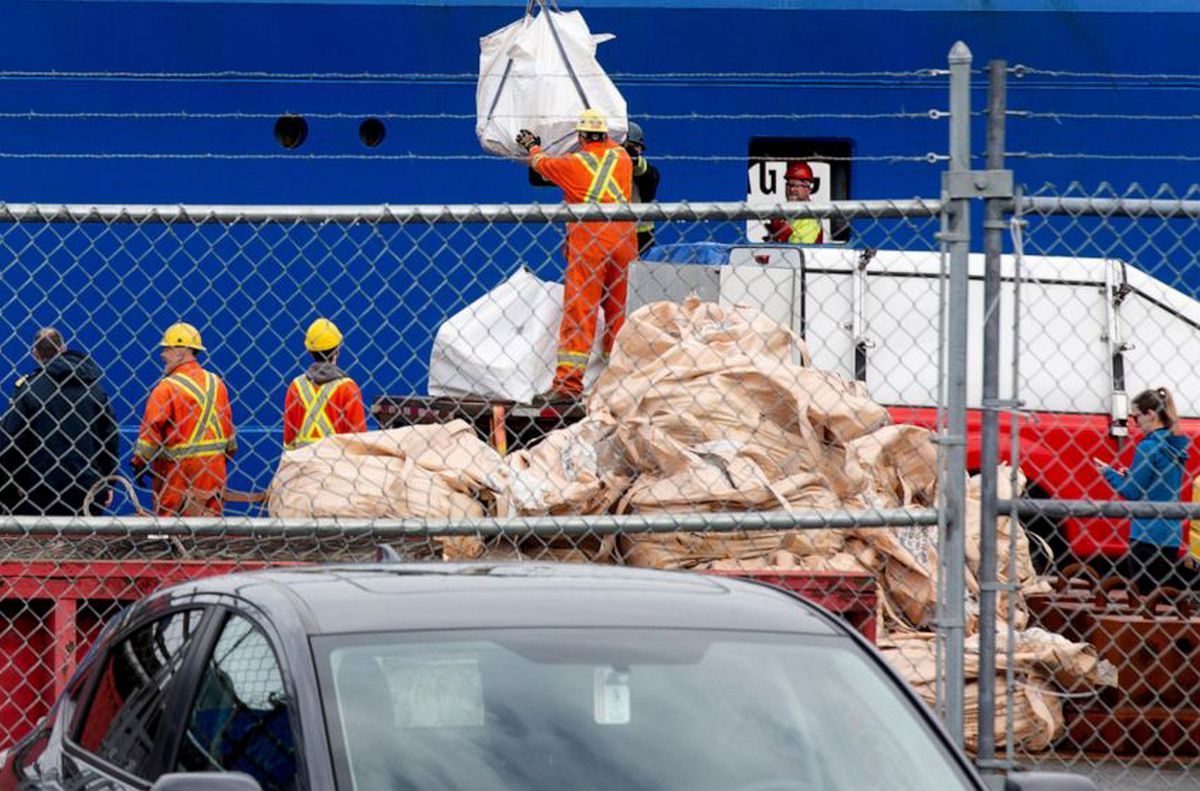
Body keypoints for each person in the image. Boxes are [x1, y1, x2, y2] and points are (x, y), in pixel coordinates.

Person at [516, 109, 638, 405]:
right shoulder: (621, 158)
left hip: (591, 240)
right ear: (606, 134)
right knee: (618, 312)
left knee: (580, 310)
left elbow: (542, 164)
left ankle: (568, 385)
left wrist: (531, 145)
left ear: (581, 136)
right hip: (624, 239)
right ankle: (619, 382)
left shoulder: (574, 165)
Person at [0, 328, 119, 515]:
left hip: (38, 492)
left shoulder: (29, 390)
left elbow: (10, 441)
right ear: (63, 348)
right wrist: (107, 482)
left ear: (35, 354)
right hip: (87, 489)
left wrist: (7, 490)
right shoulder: (94, 389)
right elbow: (109, 438)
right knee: (86, 542)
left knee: (35, 542)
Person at [132, 322, 236, 516]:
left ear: (181, 352)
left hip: (179, 475)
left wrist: (139, 463)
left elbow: (150, 435)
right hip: (214, 473)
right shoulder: (217, 384)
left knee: (170, 528)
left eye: (167, 349)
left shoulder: (166, 388)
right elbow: (230, 442)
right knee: (209, 531)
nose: (162, 354)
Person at [1094, 387, 1190, 594]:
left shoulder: (1147, 447)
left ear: (1151, 414)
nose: (1134, 423)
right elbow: (1159, 483)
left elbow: (1132, 492)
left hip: (1146, 534)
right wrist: (1131, 475)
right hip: (1171, 534)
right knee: (1162, 598)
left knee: (1143, 597)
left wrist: (1108, 473)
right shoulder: (1175, 446)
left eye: (1136, 416)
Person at [283, 318, 367, 449]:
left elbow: (289, 439)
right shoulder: (348, 388)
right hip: (338, 465)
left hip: (303, 465)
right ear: (337, 350)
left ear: (310, 351)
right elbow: (358, 439)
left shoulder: (296, 387)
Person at [764, 160, 825, 245]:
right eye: (789, 185)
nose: (792, 189)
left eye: (797, 186)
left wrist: (781, 234)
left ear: (808, 190)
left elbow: (799, 248)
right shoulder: (786, 213)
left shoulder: (810, 216)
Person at [624, 121, 661, 255]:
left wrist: (633, 161)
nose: (634, 151)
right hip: (611, 234)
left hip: (641, 237)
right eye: (630, 147)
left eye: (636, 147)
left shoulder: (646, 171)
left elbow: (649, 177)